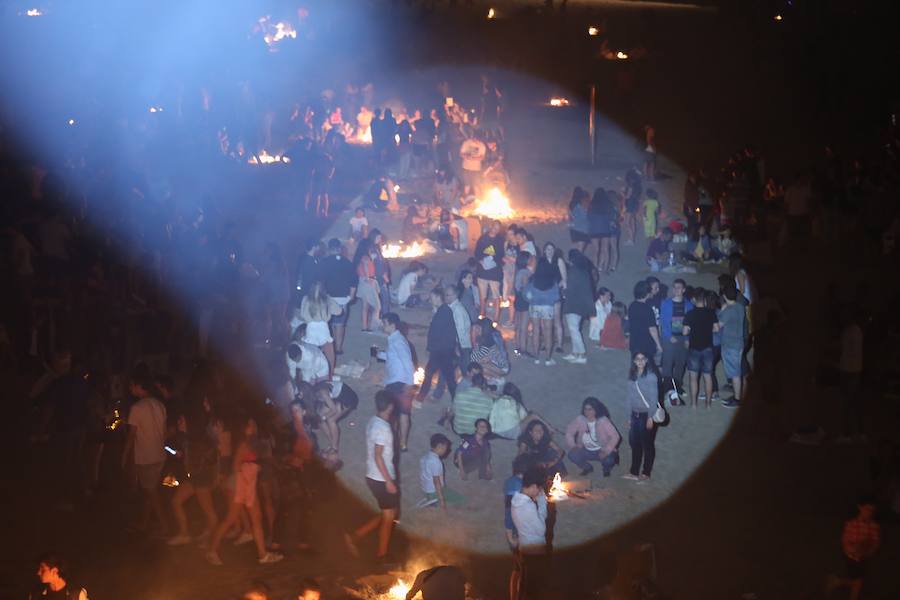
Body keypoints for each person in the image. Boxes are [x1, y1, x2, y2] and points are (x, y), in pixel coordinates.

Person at [206, 417, 283, 565]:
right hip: (239, 485)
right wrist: (250, 474)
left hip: (248, 485)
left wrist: (255, 468)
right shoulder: (243, 444)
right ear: (244, 429)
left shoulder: (252, 443)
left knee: (257, 518)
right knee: (231, 518)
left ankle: (263, 555)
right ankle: (211, 551)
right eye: (250, 425)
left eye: (254, 423)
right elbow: (236, 467)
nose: (253, 426)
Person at [345, 391, 398, 561]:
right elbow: (378, 456)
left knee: (389, 512)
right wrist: (389, 481)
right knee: (389, 516)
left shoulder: (374, 421)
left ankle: (355, 536)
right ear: (390, 407)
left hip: (373, 475)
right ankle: (382, 555)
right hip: (381, 478)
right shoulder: (383, 428)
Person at [122, 370, 167, 535]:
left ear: (139, 386)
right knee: (150, 491)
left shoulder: (137, 408)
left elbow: (131, 435)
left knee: (151, 492)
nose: (130, 388)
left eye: (131, 385)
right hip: (159, 454)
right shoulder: (160, 405)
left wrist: (125, 454)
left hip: (146, 457)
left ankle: (165, 526)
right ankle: (144, 523)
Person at [167, 411, 220, 546]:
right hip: (196, 477)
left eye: (181, 421)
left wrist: (214, 477)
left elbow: (209, 459)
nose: (178, 423)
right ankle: (184, 534)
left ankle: (213, 542)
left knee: (209, 511)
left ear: (189, 423)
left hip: (201, 478)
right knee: (176, 501)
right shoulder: (187, 438)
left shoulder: (197, 440)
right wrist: (181, 455)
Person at [826, 497, 880, 600]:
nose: (870, 513)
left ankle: (836, 582)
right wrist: (852, 550)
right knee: (858, 582)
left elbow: (875, 542)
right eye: (868, 509)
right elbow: (845, 540)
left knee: (858, 582)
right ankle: (837, 582)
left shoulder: (873, 526)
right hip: (851, 556)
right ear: (860, 508)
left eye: (872, 510)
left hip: (864, 556)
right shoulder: (851, 524)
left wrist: (869, 551)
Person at [378, 313, 415, 450]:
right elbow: (395, 357)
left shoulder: (397, 341)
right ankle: (402, 443)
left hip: (397, 382)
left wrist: (409, 383)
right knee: (403, 413)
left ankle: (394, 441)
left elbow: (407, 362)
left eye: (384, 323)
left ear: (392, 325)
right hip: (400, 380)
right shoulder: (396, 339)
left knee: (392, 413)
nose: (382, 326)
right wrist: (381, 355)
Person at [510, 467, 549, 600]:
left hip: (524, 548)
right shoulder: (527, 506)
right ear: (533, 486)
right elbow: (541, 530)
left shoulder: (516, 500)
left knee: (525, 585)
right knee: (533, 590)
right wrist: (542, 502)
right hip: (534, 551)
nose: (539, 491)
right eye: (539, 488)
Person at [416, 289, 459, 402]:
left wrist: (430, 348)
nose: (430, 300)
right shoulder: (444, 310)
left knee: (436, 374)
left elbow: (435, 333)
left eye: (432, 298)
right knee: (445, 376)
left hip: (440, 350)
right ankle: (421, 397)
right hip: (444, 349)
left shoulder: (443, 312)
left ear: (437, 297)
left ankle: (420, 397)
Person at [623, 352, 659, 482]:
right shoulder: (632, 375)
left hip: (645, 415)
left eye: (642, 359)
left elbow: (654, 398)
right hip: (634, 414)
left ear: (646, 360)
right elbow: (629, 397)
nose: (640, 361)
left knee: (647, 445)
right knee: (635, 443)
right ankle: (634, 472)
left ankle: (646, 473)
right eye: (637, 359)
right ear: (634, 361)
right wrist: (628, 417)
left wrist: (650, 417)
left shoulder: (651, 376)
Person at [565, 397, 621, 477]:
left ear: (596, 409)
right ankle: (587, 468)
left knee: (609, 460)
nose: (587, 412)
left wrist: (606, 451)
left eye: (590, 409)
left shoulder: (603, 421)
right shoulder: (580, 419)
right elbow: (569, 432)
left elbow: (615, 436)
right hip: (585, 449)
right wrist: (573, 445)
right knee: (572, 455)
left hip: (601, 449)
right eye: (585, 409)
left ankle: (606, 469)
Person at [320, 239, 357, 354]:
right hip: (343, 298)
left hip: (327, 298)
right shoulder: (347, 263)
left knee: (327, 323)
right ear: (340, 249)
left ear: (329, 249)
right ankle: (338, 348)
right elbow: (354, 281)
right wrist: (351, 296)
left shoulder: (324, 262)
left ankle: (328, 348)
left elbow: (319, 281)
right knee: (340, 324)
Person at [683, 291, 718, 409]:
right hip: (708, 348)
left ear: (694, 299)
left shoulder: (690, 314)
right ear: (705, 300)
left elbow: (685, 331)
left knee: (693, 377)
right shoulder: (711, 313)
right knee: (708, 376)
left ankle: (694, 404)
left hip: (694, 348)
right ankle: (708, 404)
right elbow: (716, 329)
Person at [659, 279, 693, 398]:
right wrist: (669, 335)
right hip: (669, 338)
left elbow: (690, 324)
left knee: (680, 363)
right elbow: (663, 321)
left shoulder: (689, 305)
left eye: (679, 287)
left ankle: (677, 386)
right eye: (675, 287)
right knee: (667, 363)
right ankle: (667, 387)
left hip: (683, 338)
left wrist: (687, 339)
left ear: (683, 290)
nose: (676, 289)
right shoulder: (666, 303)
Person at [836, 306, 865, 443]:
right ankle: (859, 432)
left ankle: (847, 434)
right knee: (854, 403)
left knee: (847, 403)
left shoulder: (848, 331)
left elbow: (844, 350)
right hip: (855, 370)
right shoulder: (858, 330)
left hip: (848, 371)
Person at [299, 280, 340, 373]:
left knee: (310, 353)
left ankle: (310, 373)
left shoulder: (305, 299)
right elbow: (339, 311)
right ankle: (330, 374)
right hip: (323, 329)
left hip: (310, 329)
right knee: (330, 354)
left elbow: (302, 314)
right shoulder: (327, 300)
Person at [562, 249, 595, 364]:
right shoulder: (584, 271)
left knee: (574, 329)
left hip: (573, 304)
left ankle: (581, 353)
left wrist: (564, 290)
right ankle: (575, 352)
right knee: (574, 328)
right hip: (581, 304)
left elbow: (571, 288)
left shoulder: (574, 271)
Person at [717, 285, 747, 409]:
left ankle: (737, 399)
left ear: (724, 296)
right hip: (738, 343)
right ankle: (736, 396)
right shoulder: (740, 306)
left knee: (735, 374)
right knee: (736, 372)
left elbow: (717, 326)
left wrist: (721, 310)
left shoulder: (728, 311)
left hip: (730, 345)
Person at [313, 380, 358, 457]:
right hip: (336, 398)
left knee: (331, 420)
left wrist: (324, 417)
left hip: (348, 398)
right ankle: (332, 442)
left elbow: (333, 410)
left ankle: (334, 448)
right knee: (319, 418)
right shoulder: (317, 391)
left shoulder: (323, 393)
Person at [420, 433, 464, 508]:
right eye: (446, 448)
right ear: (440, 446)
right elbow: (436, 482)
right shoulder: (436, 462)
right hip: (433, 492)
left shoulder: (426, 456)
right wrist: (442, 500)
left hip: (425, 488)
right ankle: (433, 502)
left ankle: (430, 499)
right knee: (461, 500)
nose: (447, 450)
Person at [474, 220, 504, 321]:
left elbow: (501, 255)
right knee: (482, 295)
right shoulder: (483, 239)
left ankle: (496, 317)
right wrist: (481, 260)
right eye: (495, 228)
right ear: (491, 226)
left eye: (498, 229)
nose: (496, 230)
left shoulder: (500, 240)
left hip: (494, 272)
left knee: (496, 295)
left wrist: (494, 259)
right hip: (482, 272)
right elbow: (477, 253)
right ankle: (482, 314)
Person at [470, 317, 509, 387]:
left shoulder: (487, 343)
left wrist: (474, 343)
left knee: (479, 367)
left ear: (483, 329)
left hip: (502, 368)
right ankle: (492, 377)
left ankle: (499, 378)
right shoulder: (490, 336)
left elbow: (473, 359)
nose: (476, 330)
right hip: (498, 364)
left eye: (478, 328)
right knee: (481, 362)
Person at [628, 281, 662, 360]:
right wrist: (658, 345)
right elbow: (652, 329)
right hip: (646, 344)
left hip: (634, 343)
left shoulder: (632, 305)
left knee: (636, 364)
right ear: (647, 293)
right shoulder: (647, 309)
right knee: (647, 365)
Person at [354, 239, 382, 332]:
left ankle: (365, 327)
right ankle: (373, 325)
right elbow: (366, 266)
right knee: (376, 306)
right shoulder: (365, 257)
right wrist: (368, 278)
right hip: (367, 281)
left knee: (365, 306)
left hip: (363, 281)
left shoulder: (359, 257)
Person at [445, 284, 473, 366]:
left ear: (455, 295)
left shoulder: (458, 310)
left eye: (447, 295)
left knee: (464, 368)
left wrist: (457, 345)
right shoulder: (453, 307)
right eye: (445, 294)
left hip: (462, 345)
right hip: (460, 345)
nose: (445, 297)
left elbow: (460, 330)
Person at [513, 251, 534, 357]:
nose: (531, 260)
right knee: (524, 327)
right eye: (529, 258)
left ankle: (517, 348)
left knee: (518, 325)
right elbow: (526, 288)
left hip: (518, 299)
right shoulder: (525, 273)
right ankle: (523, 349)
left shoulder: (518, 271)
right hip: (524, 300)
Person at [568, 187, 591, 252]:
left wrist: (570, 226)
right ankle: (577, 257)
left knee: (575, 246)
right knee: (580, 249)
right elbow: (586, 216)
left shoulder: (572, 204)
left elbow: (570, 216)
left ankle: (574, 257)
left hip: (574, 229)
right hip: (582, 229)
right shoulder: (583, 205)